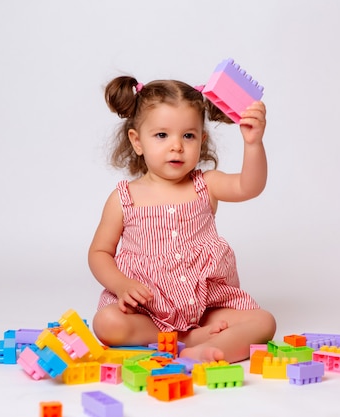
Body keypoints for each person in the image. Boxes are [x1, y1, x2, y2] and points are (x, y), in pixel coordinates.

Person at [89, 75, 276, 363]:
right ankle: (187, 338)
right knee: (107, 323)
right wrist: (121, 285)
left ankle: (207, 349)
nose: (176, 146)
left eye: (188, 136)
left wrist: (253, 144)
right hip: (149, 309)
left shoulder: (207, 184)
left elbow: (249, 186)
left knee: (264, 322)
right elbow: (100, 253)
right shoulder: (124, 198)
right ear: (137, 141)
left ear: (201, 140)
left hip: (206, 306)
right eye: (162, 135)